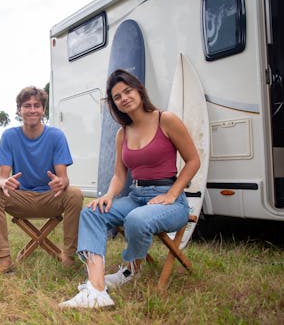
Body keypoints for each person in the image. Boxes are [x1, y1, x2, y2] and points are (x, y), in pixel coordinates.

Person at [59, 69, 200, 308]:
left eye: (127, 91)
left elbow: (194, 160)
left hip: (171, 201)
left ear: (139, 90)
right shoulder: (122, 133)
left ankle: (130, 269)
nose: (123, 98)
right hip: (136, 196)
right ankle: (96, 289)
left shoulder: (166, 119)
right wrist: (109, 195)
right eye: (117, 96)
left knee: (136, 219)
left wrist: (172, 193)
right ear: (114, 104)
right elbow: (119, 174)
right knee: (92, 213)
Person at [0, 86, 83, 277]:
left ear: (43, 110)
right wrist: (3, 183)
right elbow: (2, 177)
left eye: (37, 105)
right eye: (27, 105)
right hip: (22, 199)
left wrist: (61, 182)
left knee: (75, 194)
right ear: (19, 110)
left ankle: (68, 257)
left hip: (50, 198)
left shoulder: (56, 136)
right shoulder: (9, 136)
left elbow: (63, 177)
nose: (32, 109)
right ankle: (4, 260)